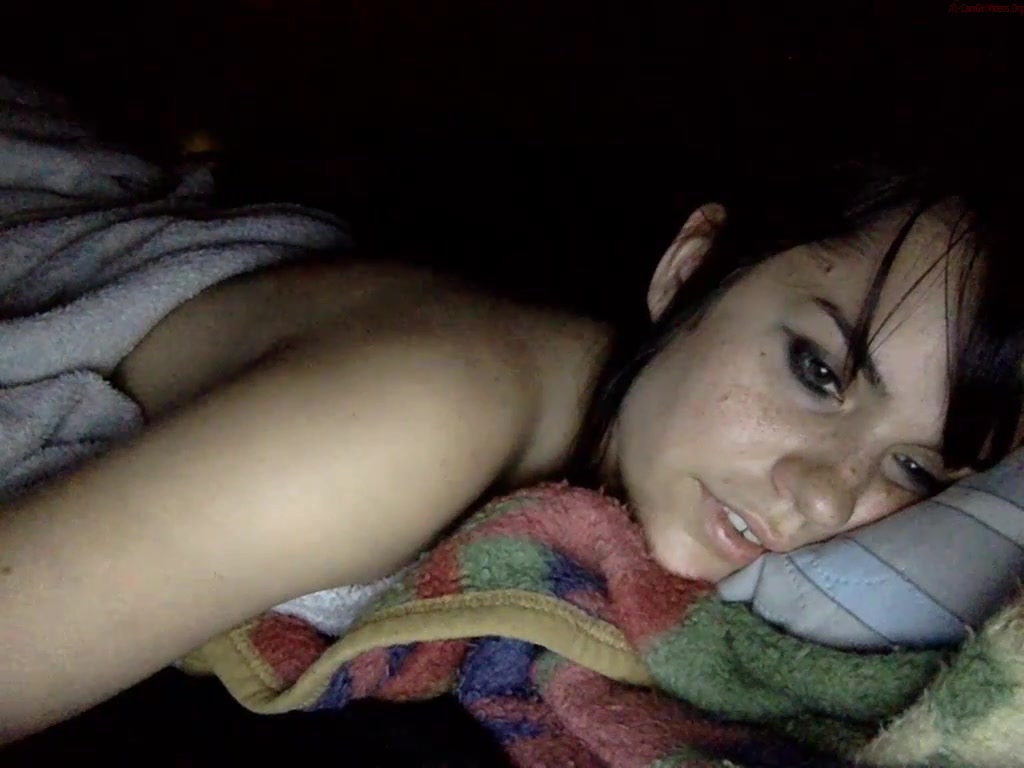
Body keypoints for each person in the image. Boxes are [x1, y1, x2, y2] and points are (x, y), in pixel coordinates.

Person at [1, 98, 1021, 744]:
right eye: (817, 370)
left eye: (915, 468)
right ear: (691, 268)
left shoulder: (618, 459)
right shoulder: (409, 423)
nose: (825, 495)